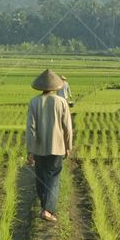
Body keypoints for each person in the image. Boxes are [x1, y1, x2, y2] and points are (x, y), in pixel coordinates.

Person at [26, 69, 73, 223]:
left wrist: (30, 150)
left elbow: (30, 128)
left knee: (40, 176)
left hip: (39, 148)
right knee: (53, 176)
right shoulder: (61, 102)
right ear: (55, 87)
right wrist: (68, 146)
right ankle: (48, 210)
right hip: (57, 146)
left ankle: (44, 207)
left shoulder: (34, 102)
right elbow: (67, 127)